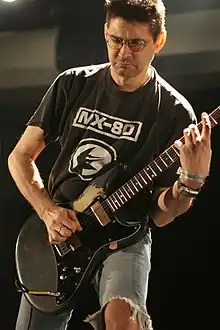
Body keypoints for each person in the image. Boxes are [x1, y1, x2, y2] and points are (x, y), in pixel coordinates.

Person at [8, 0, 212, 329]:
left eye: (135, 43)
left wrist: (190, 181)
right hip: (61, 231)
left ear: (158, 42)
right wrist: (47, 211)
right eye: (116, 40)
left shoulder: (174, 111)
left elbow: (161, 214)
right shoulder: (72, 83)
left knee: (125, 322)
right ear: (105, 33)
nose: (123, 53)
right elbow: (19, 157)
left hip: (124, 238)